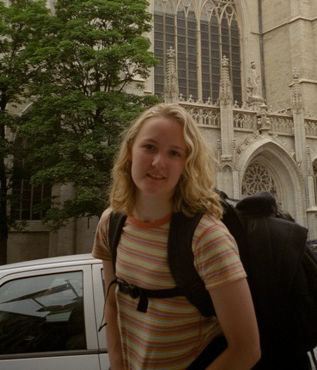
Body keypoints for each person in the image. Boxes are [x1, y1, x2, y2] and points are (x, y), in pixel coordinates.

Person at [92, 103, 260, 370]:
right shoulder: (110, 222)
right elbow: (113, 305)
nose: (158, 162)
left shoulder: (207, 237)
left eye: (174, 153)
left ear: (187, 164)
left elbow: (246, 349)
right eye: (149, 147)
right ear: (130, 151)